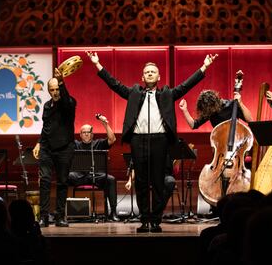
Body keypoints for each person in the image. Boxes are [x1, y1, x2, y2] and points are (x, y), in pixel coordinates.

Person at [87, 50, 217, 233]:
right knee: (141, 182)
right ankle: (144, 219)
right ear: (142, 76)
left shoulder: (167, 93)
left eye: (153, 71)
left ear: (158, 76)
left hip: (160, 140)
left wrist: (204, 66)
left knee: (157, 182)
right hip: (138, 140)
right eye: (146, 71)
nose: (149, 73)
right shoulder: (133, 92)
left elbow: (186, 85)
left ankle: (155, 220)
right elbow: (114, 84)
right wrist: (97, 64)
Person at [33, 68, 76, 227]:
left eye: (57, 89)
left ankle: (59, 216)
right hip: (47, 148)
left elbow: (64, 101)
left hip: (64, 148)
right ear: (48, 91)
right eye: (52, 89)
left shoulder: (70, 102)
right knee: (44, 180)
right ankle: (44, 216)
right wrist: (39, 142)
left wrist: (62, 81)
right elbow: (46, 127)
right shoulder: (46, 105)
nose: (55, 92)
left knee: (62, 182)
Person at [68, 114, 120, 221]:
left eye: (89, 132)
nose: (87, 134)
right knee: (65, 176)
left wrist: (105, 124)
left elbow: (112, 139)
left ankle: (113, 212)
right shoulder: (75, 144)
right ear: (80, 135)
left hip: (96, 176)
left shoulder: (98, 143)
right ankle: (61, 213)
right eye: (84, 132)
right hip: (79, 176)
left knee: (111, 179)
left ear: (92, 134)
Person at [178, 70, 253, 130]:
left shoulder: (231, 105)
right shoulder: (209, 111)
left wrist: (240, 103)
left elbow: (250, 120)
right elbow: (193, 125)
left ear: (214, 104)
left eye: (210, 110)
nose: (209, 112)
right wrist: (185, 110)